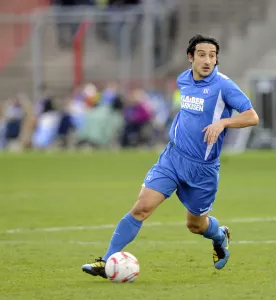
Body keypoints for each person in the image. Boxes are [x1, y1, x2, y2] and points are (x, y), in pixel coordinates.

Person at [81, 34, 259, 278]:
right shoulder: (183, 80)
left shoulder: (224, 86)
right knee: (141, 208)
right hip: (172, 158)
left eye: (212, 56)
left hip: (203, 169)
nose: (208, 60)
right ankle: (105, 261)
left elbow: (252, 116)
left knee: (195, 225)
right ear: (190, 57)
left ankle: (220, 235)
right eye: (202, 55)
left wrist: (223, 123)